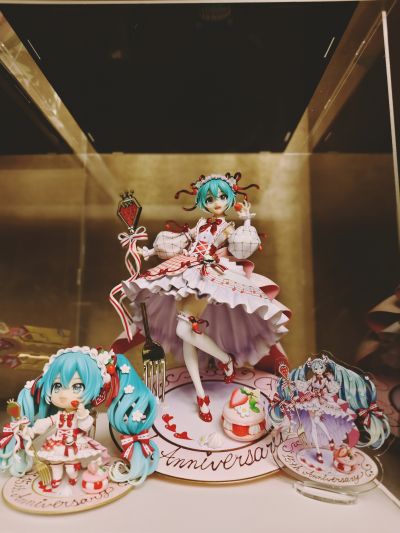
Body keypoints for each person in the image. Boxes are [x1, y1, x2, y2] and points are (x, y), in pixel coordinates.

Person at [119, 172, 291, 422]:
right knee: (187, 337)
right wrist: (150, 251)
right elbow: (178, 242)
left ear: (230, 198)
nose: (216, 202)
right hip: (185, 269)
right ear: (202, 201)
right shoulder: (200, 224)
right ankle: (201, 395)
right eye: (210, 199)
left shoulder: (227, 227)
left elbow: (241, 248)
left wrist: (246, 222)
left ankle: (225, 359)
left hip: (208, 273)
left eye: (222, 197)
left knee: (183, 328)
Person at [0, 346, 159, 489]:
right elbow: (45, 423)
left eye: (77, 386)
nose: (64, 394)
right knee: (55, 464)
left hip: (76, 443)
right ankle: (56, 480)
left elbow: (85, 425)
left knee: (71, 466)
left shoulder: (82, 413)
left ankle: (73, 477)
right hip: (58, 443)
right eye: (57, 386)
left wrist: (82, 414)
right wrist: (31, 431)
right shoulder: (59, 416)